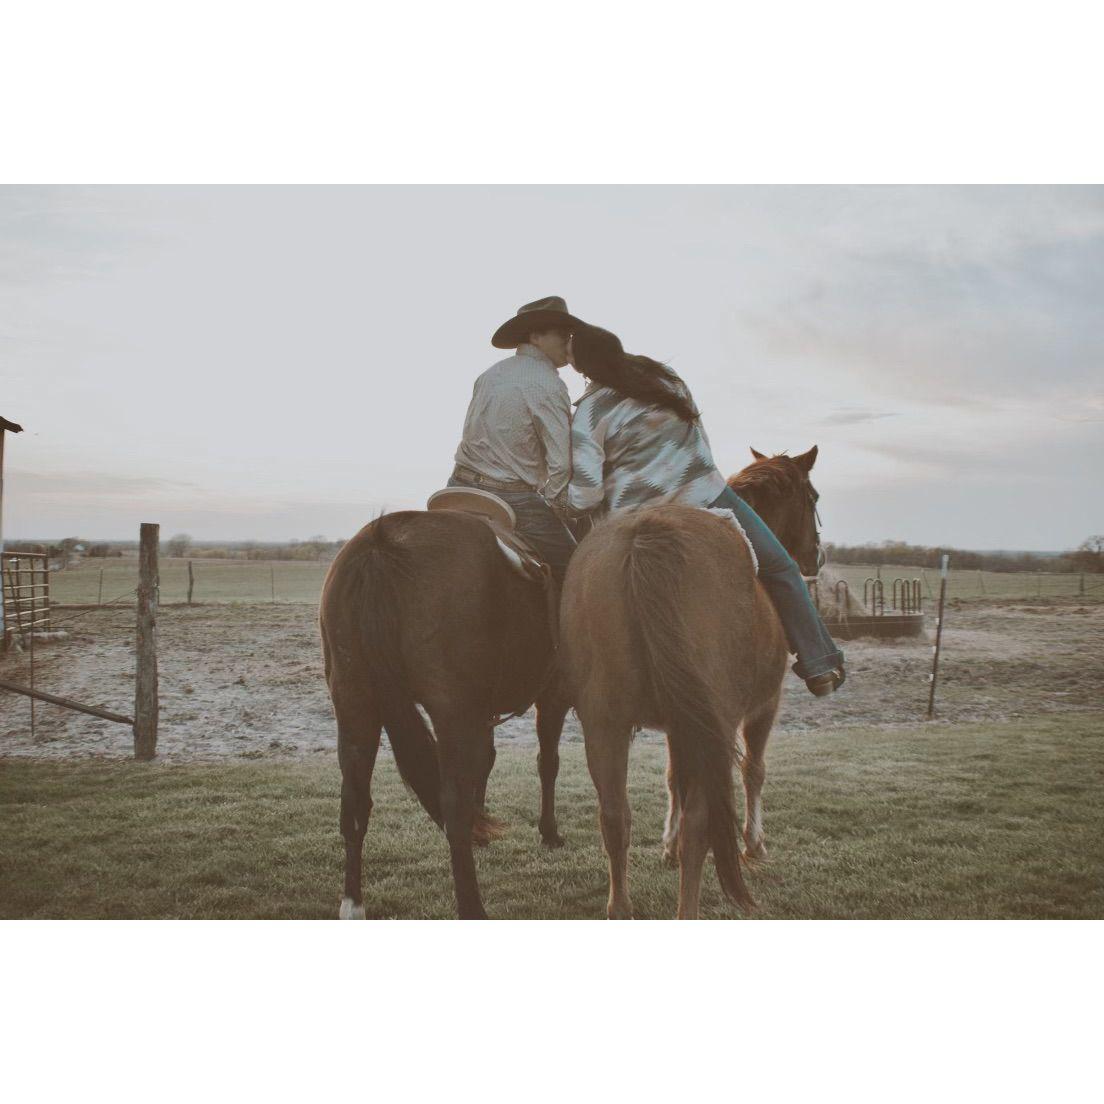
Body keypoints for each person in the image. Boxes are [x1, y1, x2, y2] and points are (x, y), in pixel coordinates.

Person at [566, 323, 845, 697]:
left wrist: (566, 502)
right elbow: (698, 435)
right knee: (781, 568)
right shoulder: (667, 379)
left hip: (631, 516)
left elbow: (585, 494)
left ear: (580, 367)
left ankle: (570, 671)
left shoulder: (588, 412)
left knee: (574, 585)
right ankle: (819, 664)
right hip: (705, 497)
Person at [448, 296, 582, 580]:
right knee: (577, 571)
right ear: (535, 336)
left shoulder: (489, 374)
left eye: (570, 334)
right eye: (562, 333)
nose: (569, 341)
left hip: (458, 484)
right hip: (512, 497)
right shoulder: (548, 383)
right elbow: (561, 464)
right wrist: (558, 507)